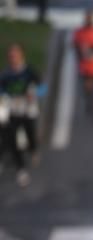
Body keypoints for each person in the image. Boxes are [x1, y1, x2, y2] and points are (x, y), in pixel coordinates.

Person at [0, 44, 42, 187]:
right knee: (12, 139)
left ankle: (33, 149)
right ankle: (21, 170)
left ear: (22, 55)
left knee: (30, 135)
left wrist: (34, 93)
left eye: (16, 55)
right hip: (12, 112)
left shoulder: (30, 72)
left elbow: (43, 88)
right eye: (11, 56)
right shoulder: (5, 75)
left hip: (28, 111)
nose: (13, 58)